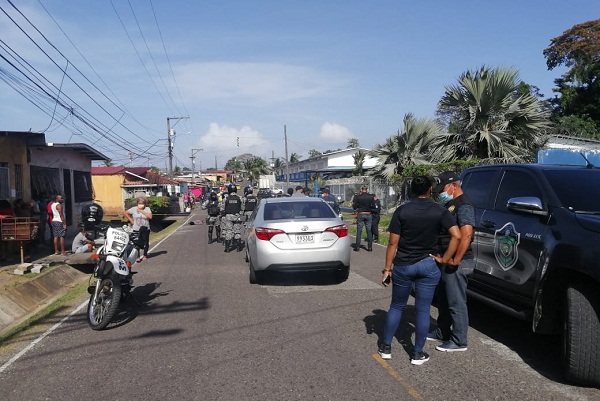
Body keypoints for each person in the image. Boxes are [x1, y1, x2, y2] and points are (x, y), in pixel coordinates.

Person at [378, 176, 461, 365]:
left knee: (397, 305)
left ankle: (386, 347)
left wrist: (387, 268)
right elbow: (456, 235)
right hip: (428, 264)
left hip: (404, 264)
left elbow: (393, 242)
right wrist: (445, 259)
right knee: (423, 310)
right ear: (430, 189)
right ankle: (417, 353)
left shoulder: (402, 210)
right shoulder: (440, 210)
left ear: (412, 190)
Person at [428, 171, 476, 352]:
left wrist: (455, 259)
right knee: (444, 298)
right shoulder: (451, 204)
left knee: (456, 302)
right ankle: (442, 331)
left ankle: (459, 340)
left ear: (453, 186)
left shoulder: (464, 205)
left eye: (443, 188)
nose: (441, 192)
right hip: (446, 260)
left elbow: (466, 235)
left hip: (458, 262)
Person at [124, 197, 152, 262]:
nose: (141, 205)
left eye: (142, 203)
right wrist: (131, 219)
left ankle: (145, 255)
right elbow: (125, 213)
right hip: (136, 228)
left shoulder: (147, 209)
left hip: (145, 228)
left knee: (145, 242)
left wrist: (141, 211)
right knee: (136, 243)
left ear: (145, 204)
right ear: (137, 203)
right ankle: (137, 256)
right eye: (139, 203)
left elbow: (150, 217)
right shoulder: (133, 209)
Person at [220, 184, 243, 252]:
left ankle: (227, 248)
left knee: (229, 231)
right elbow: (242, 208)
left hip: (228, 217)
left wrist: (223, 215)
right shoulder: (240, 198)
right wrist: (240, 214)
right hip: (237, 216)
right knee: (237, 232)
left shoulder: (226, 198)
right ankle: (239, 248)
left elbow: (222, 209)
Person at [352, 185, 376, 252]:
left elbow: (354, 206)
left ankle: (357, 246)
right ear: (367, 189)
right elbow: (373, 206)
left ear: (361, 189)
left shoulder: (358, 197)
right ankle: (370, 247)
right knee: (369, 230)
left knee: (359, 230)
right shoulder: (371, 197)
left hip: (360, 214)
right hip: (368, 214)